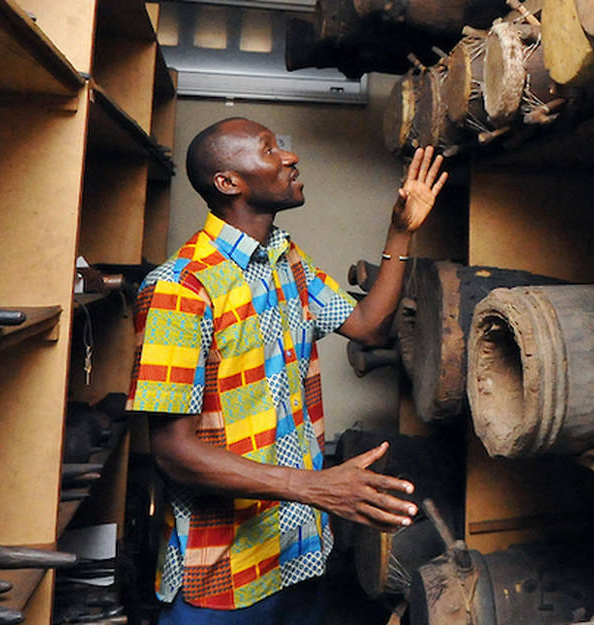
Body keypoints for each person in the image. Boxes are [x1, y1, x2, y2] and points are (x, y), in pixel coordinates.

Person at [125, 117, 447, 624]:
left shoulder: (286, 260)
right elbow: (173, 453)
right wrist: (316, 487)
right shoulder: (179, 289)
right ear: (228, 183)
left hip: (299, 554)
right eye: (270, 150)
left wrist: (400, 231)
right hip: (221, 578)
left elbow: (368, 327)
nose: (290, 157)